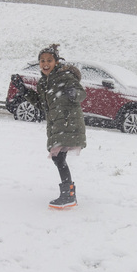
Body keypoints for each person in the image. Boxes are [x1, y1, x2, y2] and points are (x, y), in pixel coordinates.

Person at [11, 44, 87, 209]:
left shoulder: (65, 76)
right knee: (58, 158)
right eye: (42, 61)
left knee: (58, 158)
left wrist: (75, 94)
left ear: (56, 61)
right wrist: (23, 90)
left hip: (68, 122)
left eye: (49, 60)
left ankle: (69, 195)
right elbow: (41, 105)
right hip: (55, 124)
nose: (45, 64)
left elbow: (82, 93)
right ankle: (69, 192)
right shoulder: (43, 83)